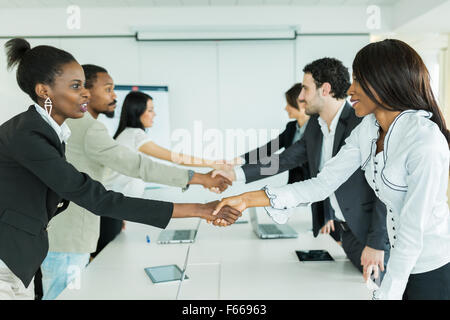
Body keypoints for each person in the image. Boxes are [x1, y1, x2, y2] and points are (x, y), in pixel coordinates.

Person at [0, 38, 240, 300]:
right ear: (44, 91)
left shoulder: (46, 130)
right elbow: (93, 193)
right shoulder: (29, 135)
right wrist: (198, 208)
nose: (86, 93)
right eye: (76, 86)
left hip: (20, 257)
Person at [213, 39, 450, 300]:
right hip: (390, 255)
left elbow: (412, 232)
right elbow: (321, 182)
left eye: (359, 79)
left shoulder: (425, 141)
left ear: (383, 82)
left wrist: (386, 292)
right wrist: (247, 197)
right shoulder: (368, 129)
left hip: (429, 266)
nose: (350, 89)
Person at [213, 58, 390, 283]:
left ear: (325, 89)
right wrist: (235, 174)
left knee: (385, 291)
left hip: (376, 237)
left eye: (305, 88)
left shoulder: (361, 124)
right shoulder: (315, 128)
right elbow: (285, 159)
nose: (300, 97)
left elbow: (383, 191)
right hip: (348, 235)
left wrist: (376, 243)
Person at [93, 90, 235, 256]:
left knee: (109, 254)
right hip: (111, 209)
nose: (154, 114)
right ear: (137, 111)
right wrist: (212, 163)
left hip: (116, 209)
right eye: (151, 110)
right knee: (105, 257)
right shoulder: (134, 134)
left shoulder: (128, 134)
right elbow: (174, 157)